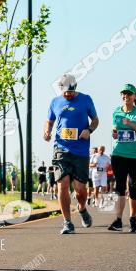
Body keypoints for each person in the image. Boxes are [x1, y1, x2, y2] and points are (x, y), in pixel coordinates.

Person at [42, 73, 98, 234]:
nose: (69, 95)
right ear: (61, 89)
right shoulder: (55, 102)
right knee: (63, 185)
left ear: (75, 88)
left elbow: (95, 120)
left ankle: (82, 208)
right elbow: (49, 121)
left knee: (80, 189)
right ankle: (67, 222)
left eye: (71, 92)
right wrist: (47, 131)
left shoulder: (86, 99)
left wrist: (89, 130)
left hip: (80, 150)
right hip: (61, 149)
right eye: (66, 92)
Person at [106, 83, 136, 232]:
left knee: (134, 188)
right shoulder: (116, 112)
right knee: (120, 187)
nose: (126, 96)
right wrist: (114, 132)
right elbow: (114, 129)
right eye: (123, 94)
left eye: (129, 94)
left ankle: (132, 218)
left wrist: (130, 123)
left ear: (134, 96)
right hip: (119, 155)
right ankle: (118, 221)